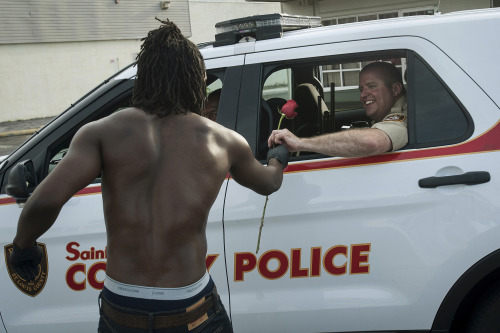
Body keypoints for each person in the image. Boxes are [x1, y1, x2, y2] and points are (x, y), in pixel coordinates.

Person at [8, 18, 289, 333]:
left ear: (143, 77)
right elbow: (268, 183)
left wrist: (23, 247)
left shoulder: (101, 133)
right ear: (199, 80)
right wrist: (280, 154)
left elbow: (45, 201)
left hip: (122, 310)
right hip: (190, 309)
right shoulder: (223, 140)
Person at [268, 61, 407, 157]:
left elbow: (371, 142)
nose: (363, 95)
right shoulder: (388, 111)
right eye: (361, 89)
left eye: (372, 86)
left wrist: (300, 143)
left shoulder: (402, 114)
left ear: (395, 89)